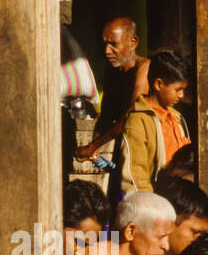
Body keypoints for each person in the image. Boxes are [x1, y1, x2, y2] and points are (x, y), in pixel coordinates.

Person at [74, 16, 150, 160]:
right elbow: (106, 115)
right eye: (105, 44)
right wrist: (93, 146)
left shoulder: (144, 68)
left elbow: (131, 116)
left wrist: (93, 147)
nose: (107, 51)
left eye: (113, 44)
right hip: (124, 146)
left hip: (145, 146)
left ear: (133, 42)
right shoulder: (112, 71)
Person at [118, 49, 191, 195]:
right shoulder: (138, 121)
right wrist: (152, 209)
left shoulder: (176, 117)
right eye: (178, 89)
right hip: (158, 203)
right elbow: (135, 175)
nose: (182, 95)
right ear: (158, 84)